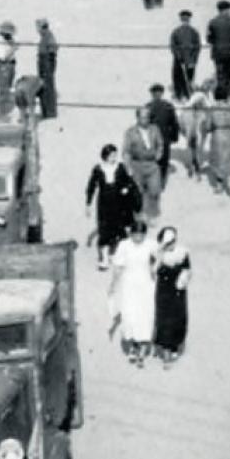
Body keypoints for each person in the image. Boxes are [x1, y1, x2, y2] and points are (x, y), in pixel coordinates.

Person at [110, 223, 159, 366]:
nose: (138, 238)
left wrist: (154, 269)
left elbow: (161, 256)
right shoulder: (124, 246)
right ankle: (132, 347)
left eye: (141, 235)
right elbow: (118, 266)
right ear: (130, 234)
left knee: (145, 315)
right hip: (129, 284)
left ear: (145, 234)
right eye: (135, 234)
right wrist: (113, 283)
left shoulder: (151, 244)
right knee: (129, 314)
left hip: (146, 285)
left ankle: (143, 349)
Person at [85, 144, 140, 270]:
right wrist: (88, 204)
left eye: (115, 155)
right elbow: (91, 187)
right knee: (104, 230)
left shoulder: (120, 167)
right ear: (105, 156)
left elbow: (128, 182)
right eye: (111, 155)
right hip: (104, 203)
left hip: (118, 202)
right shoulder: (98, 169)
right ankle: (104, 258)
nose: (114, 157)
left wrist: (126, 188)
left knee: (120, 229)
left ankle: (119, 256)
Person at [153, 225, 192, 363]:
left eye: (173, 241)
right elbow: (154, 271)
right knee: (164, 318)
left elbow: (187, 268)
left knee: (178, 317)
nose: (171, 245)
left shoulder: (182, 252)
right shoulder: (159, 255)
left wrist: (183, 279)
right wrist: (159, 256)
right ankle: (166, 350)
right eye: (167, 243)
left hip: (178, 291)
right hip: (164, 290)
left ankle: (175, 345)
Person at [124, 108, 166, 221]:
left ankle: (152, 216)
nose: (145, 120)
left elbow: (160, 144)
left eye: (147, 117)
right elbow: (126, 151)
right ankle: (139, 217)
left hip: (152, 165)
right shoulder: (130, 132)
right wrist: (128, 168)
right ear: (137, 118)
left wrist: (159, 154)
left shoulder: (155, 129)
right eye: (142, 117)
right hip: (137, 164)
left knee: (154, 190)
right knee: (138, 193)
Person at [203, 84, 230, 196]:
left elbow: (208, 127)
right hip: (229, 134)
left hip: (217, 135)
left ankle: (219, 185)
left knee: (217, 160)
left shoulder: (212, 109)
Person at [144, 83, 182, 188]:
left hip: (151, 139)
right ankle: (161, 183)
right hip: (164, 138)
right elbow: (174, 124)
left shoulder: (148, 107)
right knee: (163, 162)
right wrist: (174, 137)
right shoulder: (168, 106)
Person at [208, 0, 230, 100]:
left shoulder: (212, 22)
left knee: (220, 74)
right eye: (229, 9)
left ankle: (222, 94)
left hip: (217, 53)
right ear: (226, 10)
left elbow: (209, 39)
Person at [170, 9, 202, 99]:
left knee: (182, 78)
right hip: (186, 60)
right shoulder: (192, 31)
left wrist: (180, 57)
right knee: (185, 78)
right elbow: (197, 47)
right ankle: (184, 95)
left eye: (186, 18)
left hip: (183, 60)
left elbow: (173, 47)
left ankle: (183, 95)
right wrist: (193, 59)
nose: (185, 20)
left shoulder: (191, 32)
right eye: (184, 18)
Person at [0, 22, 18, 120]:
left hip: (9, 66)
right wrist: (13, 49)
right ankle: (2, 114)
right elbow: (3, 57)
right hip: (4, 67)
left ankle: (5, 112)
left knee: (7, 88)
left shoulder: (8, 39)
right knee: (4, 90)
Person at [35, 18, 59, 120]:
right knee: (43, 88)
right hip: (43, 63)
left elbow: (52, 52)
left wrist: (49, 67)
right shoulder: (44, 37)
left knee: (48, 88)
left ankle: (50, 112)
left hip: (47, 63)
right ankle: (45, 111)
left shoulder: (49, 36)